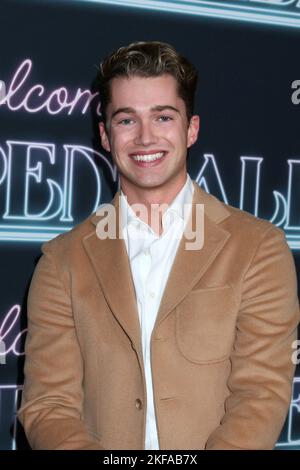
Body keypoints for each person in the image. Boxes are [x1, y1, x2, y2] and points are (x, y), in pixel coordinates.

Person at [18, 41, 299, 450]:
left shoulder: (258, 249)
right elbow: (48, 405)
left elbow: (260, 396)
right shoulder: (62, 261)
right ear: (105, 135)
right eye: (126, 120)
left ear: (191, 129)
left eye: (163, 117)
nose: (145, 138)